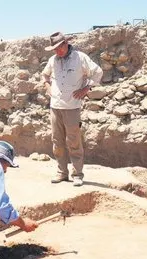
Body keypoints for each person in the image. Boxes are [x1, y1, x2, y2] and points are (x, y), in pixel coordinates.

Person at [41, 31, 103, 187]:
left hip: (72, 107)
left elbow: (97, 73)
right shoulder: (53, 60)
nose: (57, 51)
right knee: (57, 141)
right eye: (54, 49)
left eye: (58, 48)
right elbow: (45, 75)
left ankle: (77, 174)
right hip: (55, 107)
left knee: (74, 141)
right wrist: (47, 86)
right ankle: (62, 172)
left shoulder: (80, 58)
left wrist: (86, 89)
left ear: (65, 44)